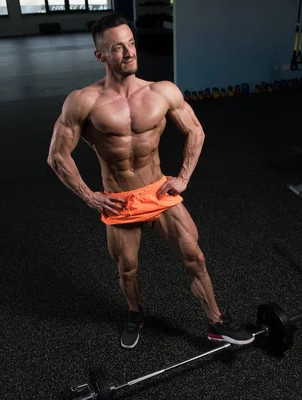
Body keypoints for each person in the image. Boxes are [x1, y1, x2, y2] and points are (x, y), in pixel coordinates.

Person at [47, 12, 253, 350]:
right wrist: (90, 196)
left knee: (195, 257)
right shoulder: (83, 100)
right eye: (117, 48)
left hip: (158, 190)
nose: (129, 53)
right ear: (100, 56)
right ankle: (135, 312)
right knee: (127, 269)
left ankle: (216, 322)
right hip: (119, 199)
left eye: (131, 44)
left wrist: (184, 177)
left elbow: (195, 130)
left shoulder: (162, 91)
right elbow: (57, 155)